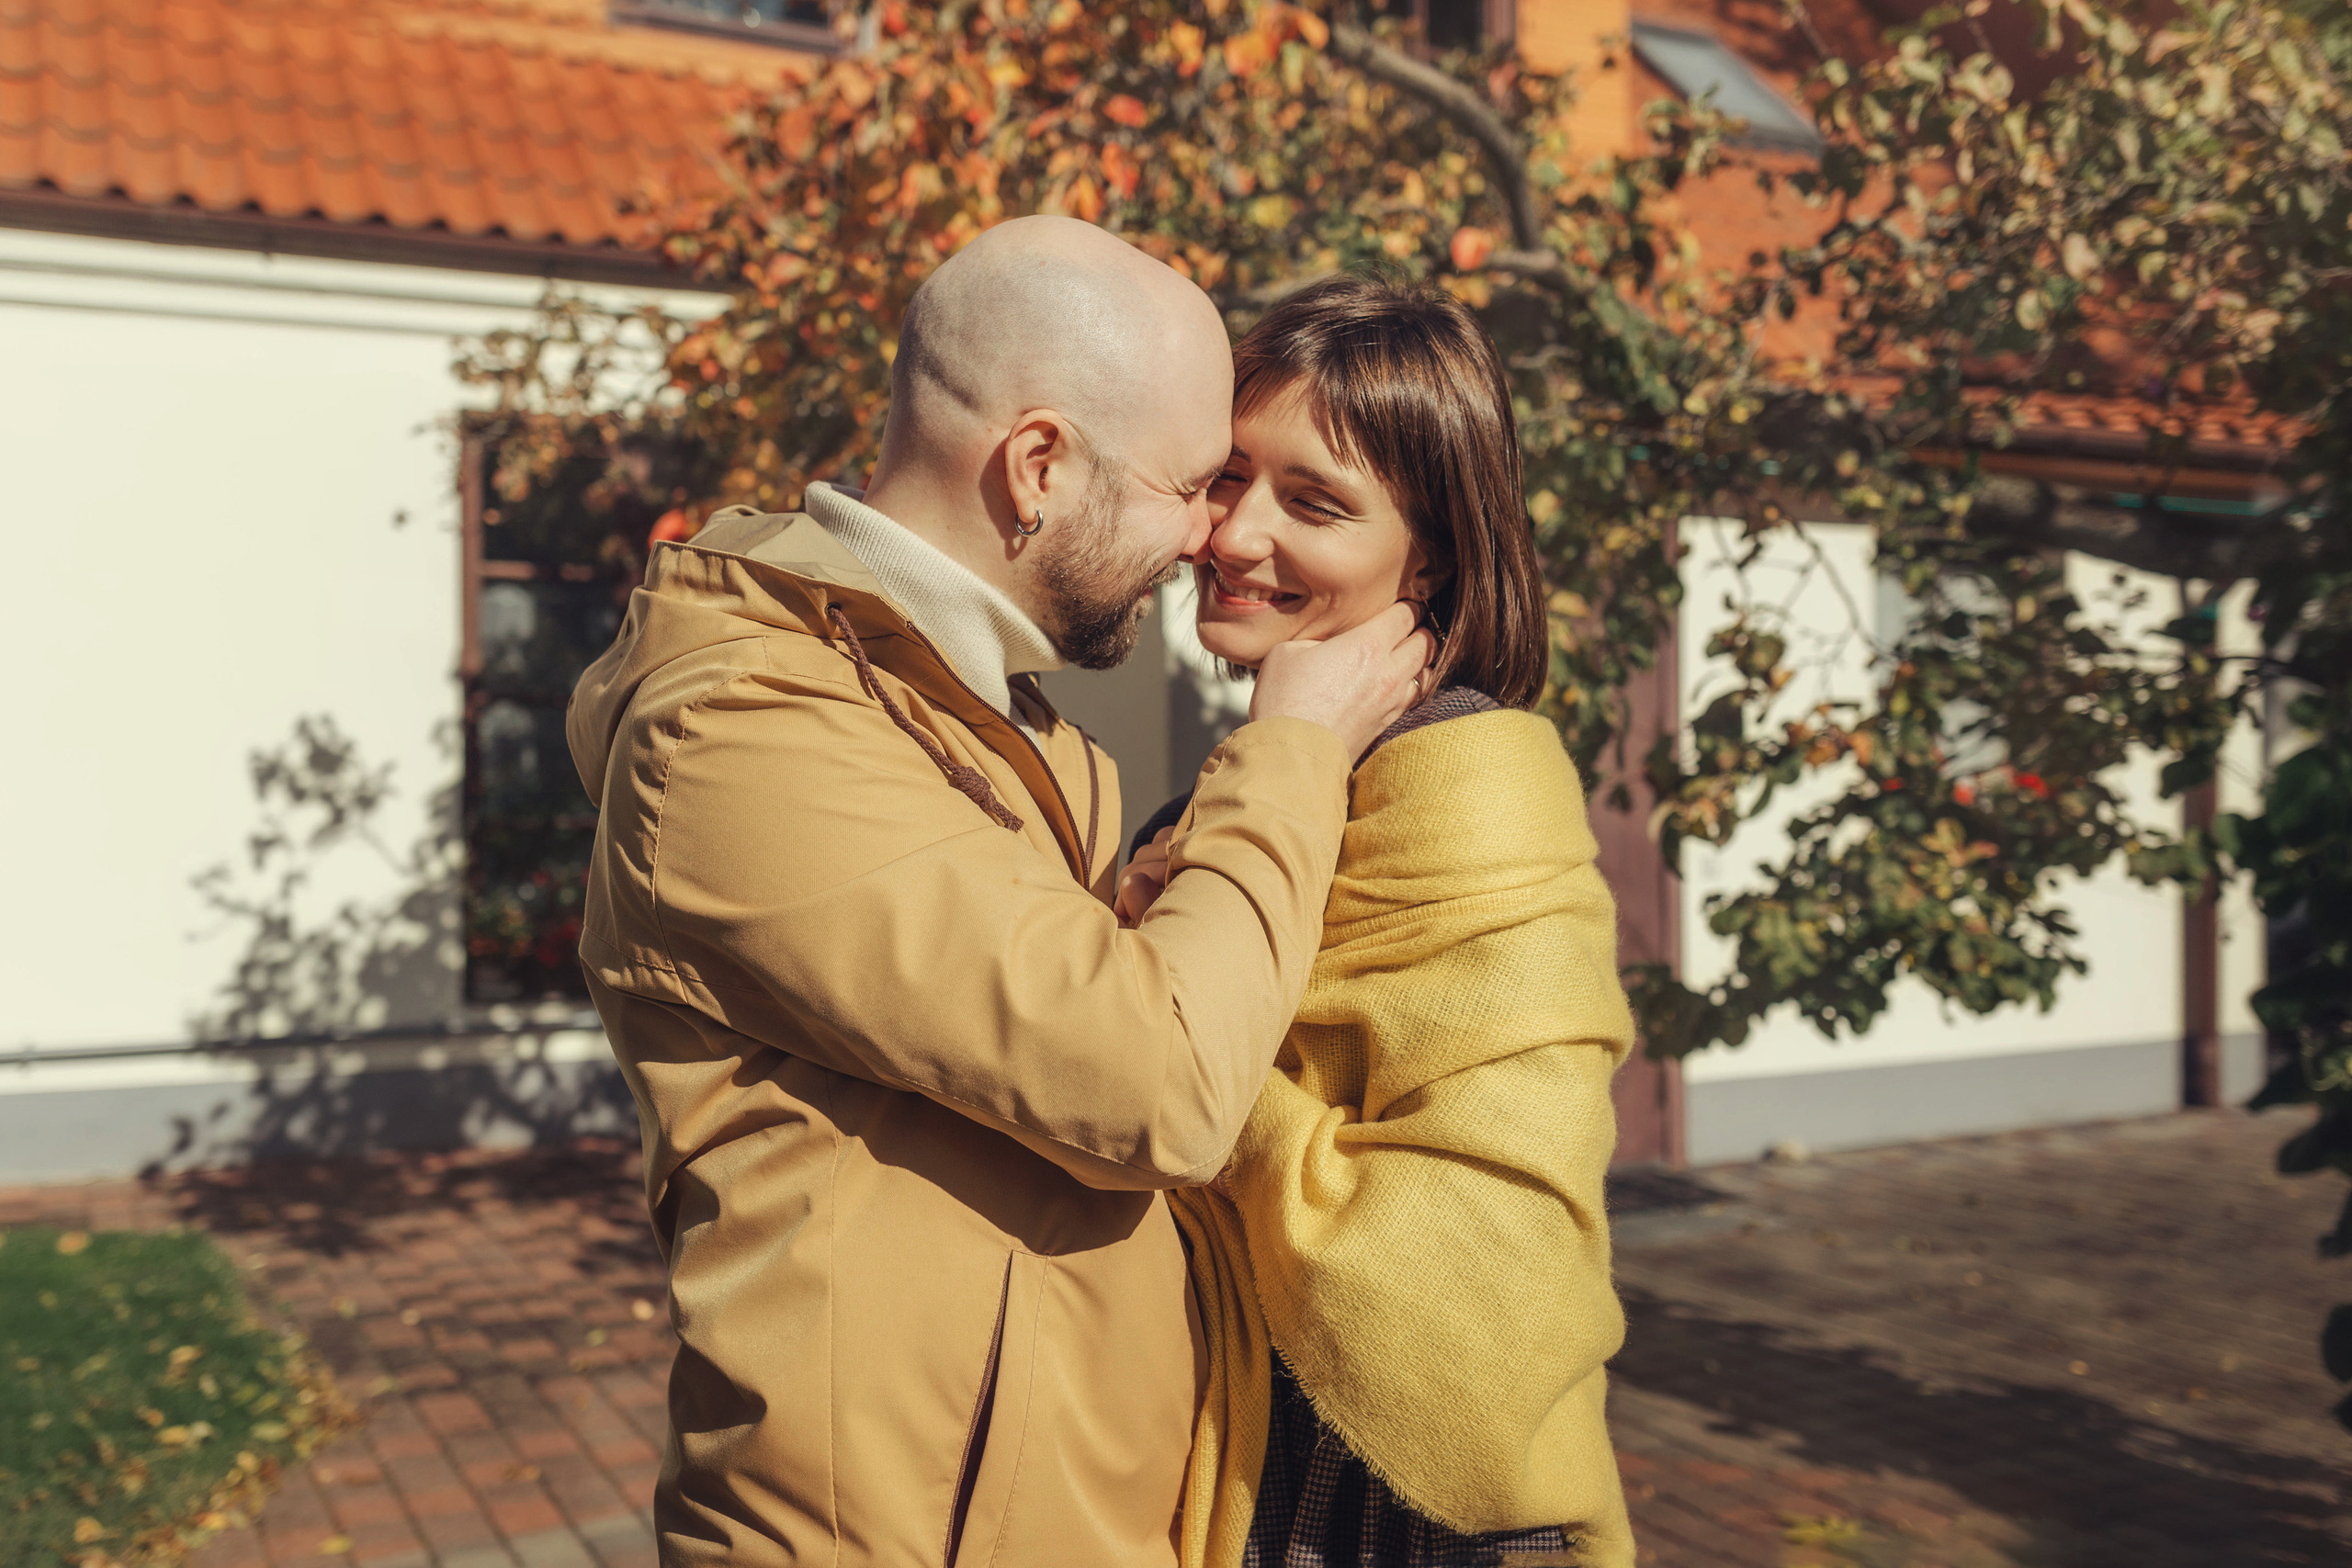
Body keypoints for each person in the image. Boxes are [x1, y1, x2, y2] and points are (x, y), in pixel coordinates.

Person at [564, 218, 1434, 1567]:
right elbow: (1159, 1090)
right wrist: (1295, 750)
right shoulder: (740, 736)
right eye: (1195, 483)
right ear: (1038, 467)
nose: (1215, 537)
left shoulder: (1011, 729)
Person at [1116, 274, 1638, 1568]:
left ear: (1436, 555)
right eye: (1228, 478)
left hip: (1378, 1519)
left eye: (1315, 501)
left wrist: (1158, 1033)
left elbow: (1486, 1290)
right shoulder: (1246, 787)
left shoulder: (1474, 793)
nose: (1235, 536)